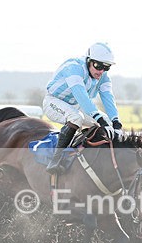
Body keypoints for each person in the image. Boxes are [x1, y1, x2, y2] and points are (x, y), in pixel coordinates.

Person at [43, 42, 124, 175]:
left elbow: (108, 98)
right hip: (54, 101)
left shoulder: (103, 77)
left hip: (76, 106)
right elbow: (82, 97)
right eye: (98, 65)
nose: (101, 71)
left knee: (106, 121)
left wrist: (116, 122)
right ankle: (55, 160)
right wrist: (100, 120)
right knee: (76, 118)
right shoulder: (74, 68)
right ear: (89, 60)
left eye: (106, 67)